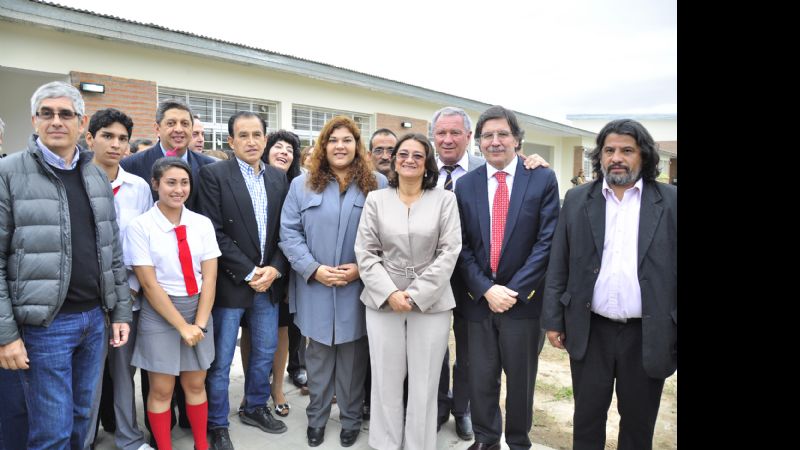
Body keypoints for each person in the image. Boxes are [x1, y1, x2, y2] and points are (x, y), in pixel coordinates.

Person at [0, 81, 132, 450]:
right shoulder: (8, 174)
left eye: (65, 114)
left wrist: (120, 311)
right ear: (34, 120)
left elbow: (112, 251)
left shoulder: (95, 175)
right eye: (47, 113)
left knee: (81, 424)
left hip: (94, 321)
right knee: (51, 432)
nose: (56, 121)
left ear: (80, 122)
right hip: (44, 328)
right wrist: (6, 335)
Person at [542, 119, 677, 450]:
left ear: (643, 156)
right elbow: (559, 262)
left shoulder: (671, 201)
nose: (617, 157)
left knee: (637, 423)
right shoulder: (576, 199)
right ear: (599, 157)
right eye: (609, 150)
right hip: (590, 329)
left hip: (647, 332)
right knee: (587, 419)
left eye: (627, 150)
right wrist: (554, 320)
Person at [430, 106, 549, 440]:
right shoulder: (465, 186)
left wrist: (513, 290)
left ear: (517, 140)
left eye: (503, 135)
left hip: (523, 304)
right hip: (476, 301)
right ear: (478, 143)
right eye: (488, 136)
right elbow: (460, 244)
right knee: (480, 377)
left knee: (521, 382)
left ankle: (518, 441)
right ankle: (485, 439)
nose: (495, 142)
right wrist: (485, 289)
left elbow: (546, 241)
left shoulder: (540, 177)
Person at [279, 116, 387, 448]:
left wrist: (361, 269)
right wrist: (313, 268)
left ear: (358, 146)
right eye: (333, 140)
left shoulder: (378, 185)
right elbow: (289, 232)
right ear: (323, 146)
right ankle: (317, 419)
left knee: (354, 361)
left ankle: (352, 420)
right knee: (319, 359)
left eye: (347, 140)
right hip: (315, 287)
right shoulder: (302, 184)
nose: (340, 146)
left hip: (358, 288)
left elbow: (389, 235)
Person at [355, 133, 462, 450]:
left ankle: (419, 444)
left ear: (428, 162)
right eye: (404, 153)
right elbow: (365, 251)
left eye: (418, 154)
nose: (410, 159)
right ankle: (385, 443)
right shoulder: (376, 199)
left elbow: (450, 251)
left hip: (431, 303)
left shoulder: (445, 200)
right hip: (382, 301)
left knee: (425, 381)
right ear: (394, 159)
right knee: (385, 378)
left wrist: (416, 294)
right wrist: (390, 293)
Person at [121, 100, 215, 434]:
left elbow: (209, 275)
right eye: (171, 122)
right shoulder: (133, 169)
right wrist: (181, 325)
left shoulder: (206, 173)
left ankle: (200, 437)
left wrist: (199, 323)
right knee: (159, 386)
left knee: (195, 383)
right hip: (160, 305)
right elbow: (149, 283)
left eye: (185, 123)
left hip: (197, 304)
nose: (178, 189)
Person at [197, 114, 290, 449]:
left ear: (265, 139)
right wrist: (251, 272)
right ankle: (218, 422)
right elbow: (213, 231)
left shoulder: (280, 178)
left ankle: (254, 406)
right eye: (243, 135)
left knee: (264, 350)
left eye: (257, 135)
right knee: (221, 360)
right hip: (230, 282)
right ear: (230, 141)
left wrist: (274, 270)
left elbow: (287, 232)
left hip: (269, 282)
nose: (252, 141)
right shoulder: (213, 175)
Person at [86, 108, 155, 450]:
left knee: (124, 372)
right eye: (107, 136)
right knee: (88, 376)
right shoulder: (77, 180)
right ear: (90, 139)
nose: (115, 144)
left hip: (128, 294)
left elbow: (144, 242)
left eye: (122, 139)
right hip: (85, 297)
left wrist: (131, 289)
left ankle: (129, 438)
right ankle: (82, 438)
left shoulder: (138, 187)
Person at [237, 129, 303, 422]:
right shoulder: (250, 180)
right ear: (266, 149)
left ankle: (277, 388)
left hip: (286, 270)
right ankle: (254, 391)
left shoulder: (299, 185)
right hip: (250, 271)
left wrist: (281, 268)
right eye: (279, 146)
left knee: (281, 330)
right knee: (250, 330)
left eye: (290, 149)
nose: (284, 152)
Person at [121, 99, 216, 211]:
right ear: (157, 129)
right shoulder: (130, 166)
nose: (179, 129)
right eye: (171, 123)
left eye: (185, 124)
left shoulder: (209, 167)